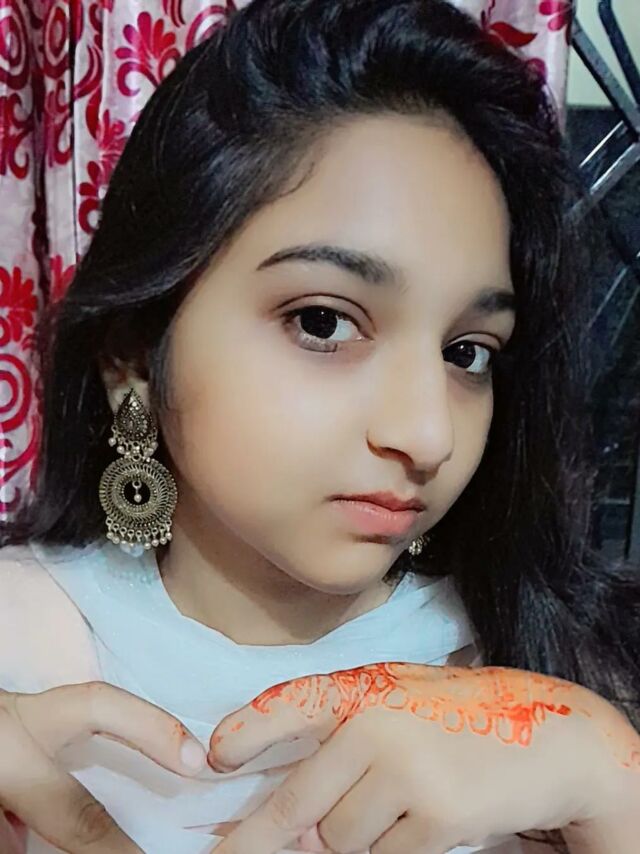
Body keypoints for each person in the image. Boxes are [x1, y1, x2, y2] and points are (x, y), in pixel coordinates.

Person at [0, 0, 638, 852]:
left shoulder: (561, 679)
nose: (429, 435)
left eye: (468, 353)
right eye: (324, 323)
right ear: (134, 359)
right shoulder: (25, 650)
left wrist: (614, 788)